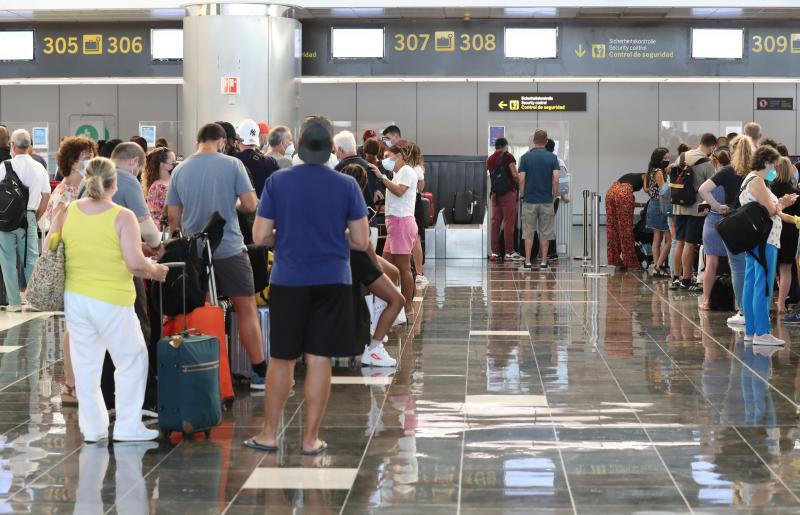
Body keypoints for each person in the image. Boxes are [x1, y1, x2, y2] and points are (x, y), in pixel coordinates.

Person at [247, 115, 370, 455]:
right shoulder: (346, 185)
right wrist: (335, 235)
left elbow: (259, 236)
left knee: (283, 359)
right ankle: (310, 440)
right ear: (331, 149)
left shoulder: (278, 181)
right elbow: (361, 240)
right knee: (319, 359)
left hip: (289, 279)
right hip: (333, 280)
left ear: (298, 147)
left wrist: (284, 239)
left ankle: (270, 435)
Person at [47, 156, 168, 442]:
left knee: (87, 365)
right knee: (132, 359)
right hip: (113, 300)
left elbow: (50, 245)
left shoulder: (68, 210)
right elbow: (136, 264)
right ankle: (128, 425)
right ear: (114, 183)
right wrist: (156, 271)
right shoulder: (122, 216)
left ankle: (94, 428)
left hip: (76, 299)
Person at [167, 122, 267, 389]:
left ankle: (208, 371)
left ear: (198, 140)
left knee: (204, 311)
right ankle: (259, 373)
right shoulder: (232, 165)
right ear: (222, 141)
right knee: (247, 310)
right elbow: (250, 205)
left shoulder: (180, 169)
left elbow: (173, 218)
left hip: (195, 253)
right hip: (230, 248)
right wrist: (227, 203)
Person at [45, 136, 96, 405]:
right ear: (72, 162)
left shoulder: (84, 189)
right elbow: (54, 235)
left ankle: (77, 380)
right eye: (84, 156)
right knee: (74, 326)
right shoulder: (65, 192)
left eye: (91, 154)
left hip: (84, 263)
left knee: (79, 324)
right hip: (71, 264)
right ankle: (71, 381)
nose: (89, 160)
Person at [339, 162, 403, 366]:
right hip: (356, 258)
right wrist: (375, 265)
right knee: (397, 300)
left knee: (393, 272)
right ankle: (375, 347)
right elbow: (363, 240)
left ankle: (376, 323)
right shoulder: (354, 201)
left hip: (346, 255)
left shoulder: (333, 199)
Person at [739, 145, 796, 345]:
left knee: (752, 283)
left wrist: (779, 203)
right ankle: (762, 332)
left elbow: (767, 207)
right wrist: (782, 204)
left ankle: (751, 330)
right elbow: (771, 211)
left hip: (755, 240)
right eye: (773, 165)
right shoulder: (758, 181)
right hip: (766, 240)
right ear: (766, 163)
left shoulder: (749, 180)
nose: (774, 169)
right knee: (762, 285)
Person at [0, 129, 51, 311]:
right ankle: (32, 300)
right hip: (27, 216)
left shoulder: (3, 166)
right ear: (30, 146)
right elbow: (46, 196)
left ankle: (14, 302)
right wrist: (35, 217)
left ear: (12, 146)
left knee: (6, 259)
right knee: (30, 258)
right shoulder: (39, 168)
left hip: (4, 219)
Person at [711, 135, 756, 326]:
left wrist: (717, 205)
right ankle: (758, 308)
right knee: (756, 267)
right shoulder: (758, 171)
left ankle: (742, 310)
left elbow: (703, 189)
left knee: (738, 268)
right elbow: (777, 180)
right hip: (756, 223)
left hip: (733, 223)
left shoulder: (728, 171)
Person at [370, 140, 418, 315]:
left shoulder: (406, 171)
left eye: (388, 157)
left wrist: (381, 178)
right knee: (387, 265)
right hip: (395, 224)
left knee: (403, 268)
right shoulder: (396, 174)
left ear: (400, 156)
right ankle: (388, 302)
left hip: (401, 223)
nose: (385, 161)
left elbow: (399, 191)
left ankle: (407, 307)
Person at [671, 133, 717, 291]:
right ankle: (687, 279)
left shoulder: (682, 157)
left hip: (678, 206)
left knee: (679, 242)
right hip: (695, 208)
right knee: (690, 244)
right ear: (711, 146)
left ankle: (676, 277)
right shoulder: (707, 163)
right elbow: (714, 186)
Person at [518, 129, 559, 271]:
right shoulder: (553, 158)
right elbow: (556, 179)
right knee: (546, 231)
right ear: (546, 141)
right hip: (546, 200)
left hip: (529, 200)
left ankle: (528, 262)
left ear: (534, 141)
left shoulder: (525, 158)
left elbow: (521, 179)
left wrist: (522, 194)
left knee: (528, 231)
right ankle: (543, 262)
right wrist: (554, 195)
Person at [697, 150, 732, 310]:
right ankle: (736, 300)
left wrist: (713, 205)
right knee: (735, 264)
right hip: (732, 222)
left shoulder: (713, 180)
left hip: (712, 222)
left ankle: (706, 300)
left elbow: (704, 195)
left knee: (711, 263)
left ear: (715, 162)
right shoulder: (734, 177)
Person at [770, 156, 800, 313]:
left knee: (771, 268)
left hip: (772, 231)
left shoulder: (769, 187)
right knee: (786, 268)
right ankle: (781, 303)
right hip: (790, 232)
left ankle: (769, 301)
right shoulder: (794, 191)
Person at [487, 137, 522, 262]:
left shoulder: (490, 159)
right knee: (509, 223)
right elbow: (514, 174)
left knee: (495, 223)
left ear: (495, 146)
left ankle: (495, 253)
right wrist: (519, 185)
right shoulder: (508, 157)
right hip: (508, 193)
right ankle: (509, 252)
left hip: (495, 194)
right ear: (505, 145)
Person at [606, 172, 645, 270]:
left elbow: (626, 201)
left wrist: (642, 205)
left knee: (613, 228)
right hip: (624, 192)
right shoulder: (646, 176)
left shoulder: (632, 177)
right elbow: (647, 189)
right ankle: (630, 262)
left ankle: (615, 260)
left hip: (611, 192)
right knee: (626, 229)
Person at [235, 119, 280, 199]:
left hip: (240, 210)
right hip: (265, 210)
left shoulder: (232, 161)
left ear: (238, 141)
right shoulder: (271, 162)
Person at [643, 147, 672, 275]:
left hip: (652, 205)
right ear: (659, 158)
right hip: (661, 205)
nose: (667, 160)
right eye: (665, 158)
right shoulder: (659, 172)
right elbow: (664, 190)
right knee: (669, 240)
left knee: (656, 239)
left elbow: (645, 189)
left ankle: (656, 266)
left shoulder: (650, 171)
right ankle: (658, 266)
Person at [333, 130, 376, 208]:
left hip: (350, 216)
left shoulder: (339, 168)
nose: (335, 154)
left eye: (335, 151)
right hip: (370, 215)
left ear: (340, 150)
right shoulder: (370, 166)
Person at [143, 146, 176, 230]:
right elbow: (154, 216)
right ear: (163, 165)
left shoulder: (173, 181)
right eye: (172, 162)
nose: (175, 165)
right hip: (165, 232)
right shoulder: (157, 187)